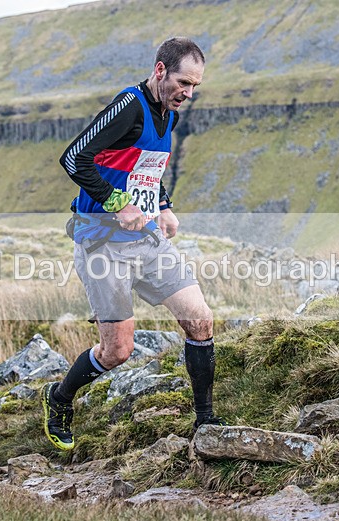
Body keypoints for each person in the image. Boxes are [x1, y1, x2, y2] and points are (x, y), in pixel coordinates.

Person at [42, 37, 224, 451]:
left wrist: (163, 204)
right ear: (160, 71)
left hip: (147, 239)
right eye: (183, 82)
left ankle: (206, 423)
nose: (188, 93)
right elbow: (74, 159)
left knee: (200, 319)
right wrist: (116, 202)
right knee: (117, 351)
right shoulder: (129, 106)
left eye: (195, 86)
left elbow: (146, 167)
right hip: (102, 241)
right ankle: (58, 399)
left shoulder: (169, 115)